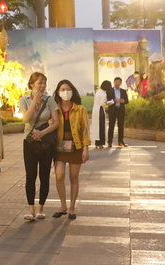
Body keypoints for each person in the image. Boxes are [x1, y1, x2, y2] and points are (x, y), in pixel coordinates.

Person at [19, 72, 61, 221]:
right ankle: (30, 209)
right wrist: (34, 101)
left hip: (45, 143)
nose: (42, 86)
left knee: (44, 176)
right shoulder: (24, 100)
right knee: (30, 176)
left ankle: (41, 208)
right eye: (39, 83)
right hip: (29, 142)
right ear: (32, 85)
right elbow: (26, 119)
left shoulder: (49, 100)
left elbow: (56, 122)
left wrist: (42, 133)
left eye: (44, 83)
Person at [51, 79, 91, 220]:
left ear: (72, 91)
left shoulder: (80, 109)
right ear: (58, 92)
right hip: (59, 147)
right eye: (62, 90)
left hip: (76, 147)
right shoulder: (55, 109)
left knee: (74, 177)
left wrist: (86, 149)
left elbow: (85, 131)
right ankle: (63, 205)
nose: (65, 92)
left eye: (68, 89)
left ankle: (72, 207)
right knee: (59, 175)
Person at [108, 76, 128, 147]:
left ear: (121, 83)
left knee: (121, 126)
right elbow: (107, 101)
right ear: (114, 82)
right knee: (111, 126)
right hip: (113, 110)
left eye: (118, 82)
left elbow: (127, 101)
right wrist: (114, 100)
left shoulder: (123, 91)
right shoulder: (109, 91)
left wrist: (123, 101)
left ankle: (121, 141)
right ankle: (109, 142)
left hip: (120, 110)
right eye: (116, 82)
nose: (117, 83)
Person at [93, 80, 111, 148]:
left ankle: (97, 143)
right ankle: (100, 143)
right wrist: (108, 103)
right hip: (100, 110)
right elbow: (102, 103)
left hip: (95, 110)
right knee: (101, 127)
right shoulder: (103, 94)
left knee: (97, 127)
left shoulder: (98, 91)